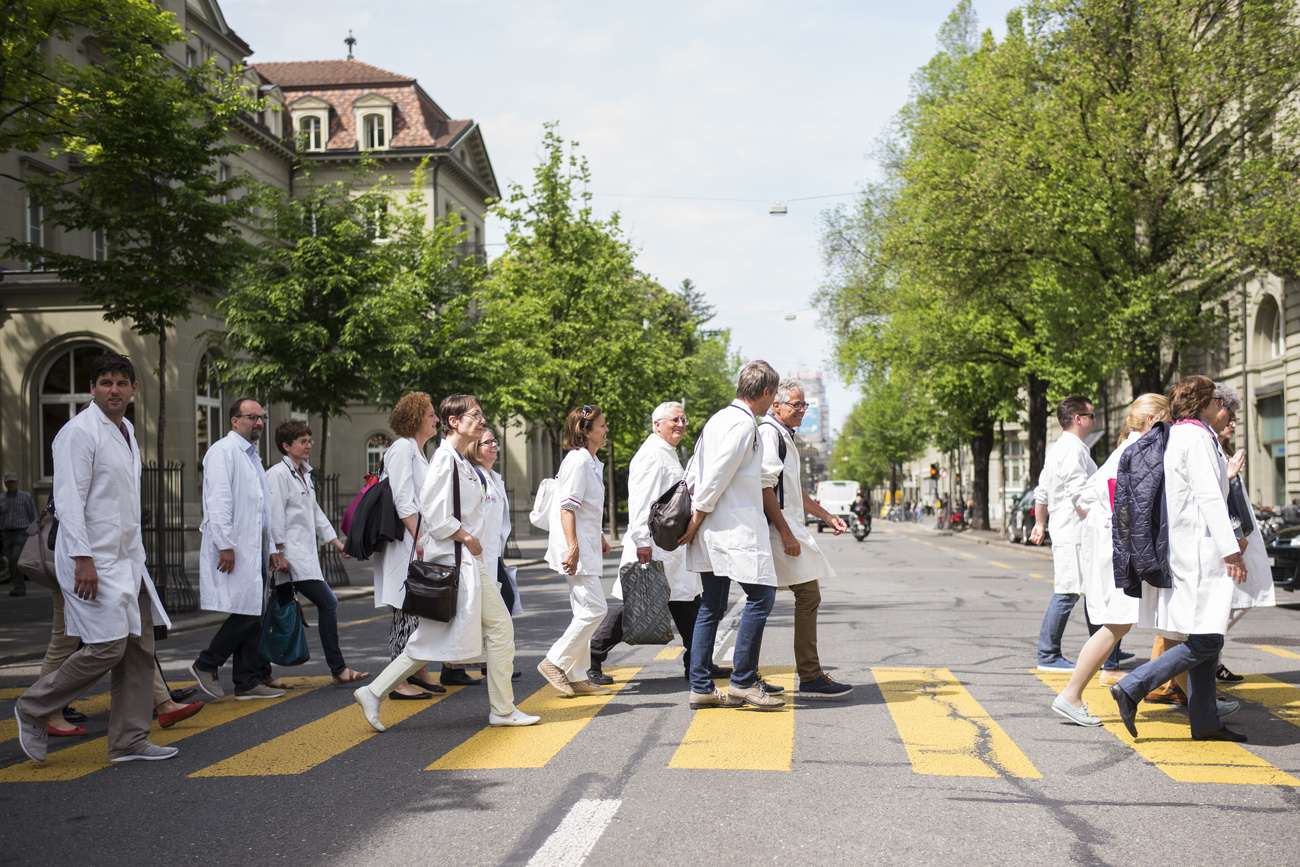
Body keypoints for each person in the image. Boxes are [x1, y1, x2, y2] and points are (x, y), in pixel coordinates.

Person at [13, 353, 177, 763]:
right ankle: (32, 708)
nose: (115, 390)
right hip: (93, 560)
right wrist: (83, 558)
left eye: (122, 383)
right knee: (106, 648)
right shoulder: (79, 432)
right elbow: (69, 501)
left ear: (134, 389)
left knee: (140, 648)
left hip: (127, 560)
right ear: (93, 388)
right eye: (106, 382)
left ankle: (128, 741)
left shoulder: (127, 431)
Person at [355, 395, 539, 729]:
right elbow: (436, 515)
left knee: (440, 638)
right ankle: (502, 709)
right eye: (475, 415)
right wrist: (467, 537)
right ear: (453, 421)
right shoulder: (444, 459)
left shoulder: (459, 460)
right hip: (460, 559)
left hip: (469, 560)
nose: (482, 420)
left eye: (481, 415)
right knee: (493, 629)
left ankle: (374, 691)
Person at [1109, 375, 1249, 742]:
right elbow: (1208, 496)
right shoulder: (1196, 437)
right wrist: (1231, 549)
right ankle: (1133, 686)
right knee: (1204, 639)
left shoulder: (1179, 434)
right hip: (1198, 553)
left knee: (1209, 637)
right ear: (1204, 403)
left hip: (1188, 548)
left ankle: (1206, 722)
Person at [1050, 394, 1168, 726]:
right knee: (1117, 622)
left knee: (1135, 621)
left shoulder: (1123, 451)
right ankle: (1071, 695)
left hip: (1113, 548)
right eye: (1167, 420)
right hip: (1120, 551)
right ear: (1151, 421)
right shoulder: (1137, 452)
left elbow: (1084, 501)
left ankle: (1192, 693)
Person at [587, 401, 720, 685]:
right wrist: (641, 540)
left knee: (688, 604)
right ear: (657, 424)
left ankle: (699, 663)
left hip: (670, 546)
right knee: (636, 606)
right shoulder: (651, 455)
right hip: (654, 546)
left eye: (684, 420)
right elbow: (640, 501)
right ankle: (592, 657)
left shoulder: (667, 453)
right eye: (674, 420)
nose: (681, 425)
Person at [680, 360, 784, 710]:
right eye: (774, 395)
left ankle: (701, 686)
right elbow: (717, 475)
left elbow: (693, 468)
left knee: (711, 605)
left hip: (715, 527)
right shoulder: (743, 424)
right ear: (766, 392)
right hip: (731, 528)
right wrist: (696, 517)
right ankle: (741, 681)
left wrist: (697, 517)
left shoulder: (717, 419)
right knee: (762, 596)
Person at [189, 398, 289, 701]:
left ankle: (246, 681)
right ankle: (207, 663)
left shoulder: (252, 456)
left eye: (261, 418)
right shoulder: (223, 452)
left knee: (255, 612)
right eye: (251, 418)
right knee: (246, 613)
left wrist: (271, 547)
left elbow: (262, 510)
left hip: (254, 548)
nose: (258, 423)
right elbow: (218, 502)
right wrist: (225, 546)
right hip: (236, 547)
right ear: (235, 421)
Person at [760, 379, 853, 700]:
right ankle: (806, 675)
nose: (801, 410)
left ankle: (804, 674)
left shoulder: (783, 436)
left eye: (804, 405)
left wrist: (826, 515)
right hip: (774, 531)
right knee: (776, 599)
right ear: (776, 406)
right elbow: (765, 488)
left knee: (770, 599)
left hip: (781, 528)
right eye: (795, 405)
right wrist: (785, 531)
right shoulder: (770, 435)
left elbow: (792, 490)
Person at [266, 420, 369, 685]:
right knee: (327, 602)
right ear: (286, 446)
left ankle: (258, 674)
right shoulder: (278, 474)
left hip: (303, 556)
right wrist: (278, 551)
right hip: (290, 558)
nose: (309, 445)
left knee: (272, 614)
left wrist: (336, 542)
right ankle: (338, 669)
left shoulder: (303, 474)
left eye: (309, 440)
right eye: (302, 441)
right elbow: (274, 515)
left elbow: (315, 513)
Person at [372, 392, 447, 698]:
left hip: (416, 541)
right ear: (416, 419)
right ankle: (397, 680)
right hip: (406, 542)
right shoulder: (402, 449)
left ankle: (417, 670)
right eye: (430, 414)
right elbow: (403, 500)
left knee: (417, 610)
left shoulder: (418, 451)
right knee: (406, 609)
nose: (436, 419)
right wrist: (418, 538)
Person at [537, 406, 613, 697]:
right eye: (602, 426)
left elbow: (586, 509)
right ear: (585, 430)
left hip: (587, 543)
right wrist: (573, 547)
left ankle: (577, 674)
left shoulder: (591, 462)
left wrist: (601, 535)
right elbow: (567, 506)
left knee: (584, 609)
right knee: (595, 608)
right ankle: (555, 661)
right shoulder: (578, 461)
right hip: (576, 547)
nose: (606, 430)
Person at [1030, 396, 1099, 672]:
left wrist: (1039, 523)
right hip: (1074, 531)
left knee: (1090, 590)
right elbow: (1078, 491)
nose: (1094, 420)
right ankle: (1048, 654)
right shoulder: (1073, 449)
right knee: (1068, 591)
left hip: (1067, 529)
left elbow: (1043, 490)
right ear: (1078, 419)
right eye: (1091, 415)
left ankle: (1107, 649)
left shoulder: (1059, 448)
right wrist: (1095, 517)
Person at [1216, 385, 1275, 682]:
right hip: (1233, 537)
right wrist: (1236, 536)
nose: (1234, 425)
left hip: (1240, 534)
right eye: (1231, 418)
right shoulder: (1209, 446)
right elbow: (1218, 498)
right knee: (1227, 602)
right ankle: (1207, 658)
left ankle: (1211, 656)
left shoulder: (1222, 449)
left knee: (1239, 599)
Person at [1, 472, 37, 596]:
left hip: (21, 532)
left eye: (13, 482)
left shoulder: (25, 496)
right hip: (7, 532)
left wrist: (34, 533)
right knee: (10, 559)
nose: (11, 484)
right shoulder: (2, 498)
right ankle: (17, 585)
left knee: (16, 557)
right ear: (5, 484)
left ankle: (20, 587)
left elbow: (33, 514)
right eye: (8, 482)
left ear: (17, 483)